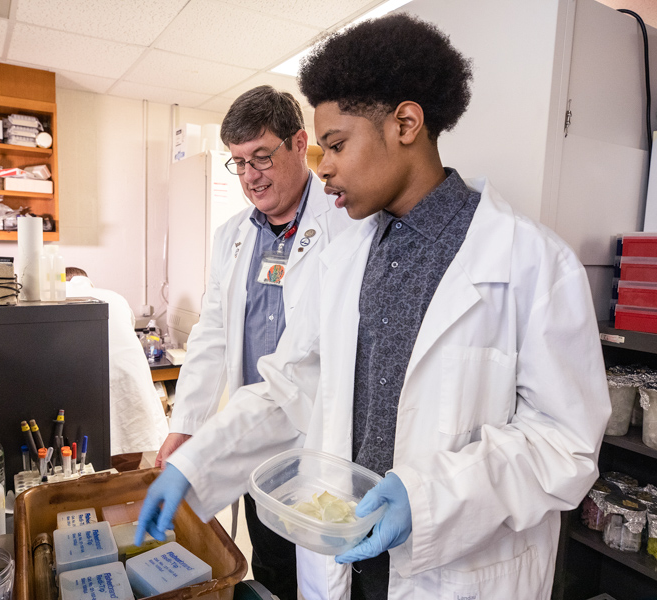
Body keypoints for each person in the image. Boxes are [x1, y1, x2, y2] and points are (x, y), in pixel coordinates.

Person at [136, 13, 611, 600]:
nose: (324, 165)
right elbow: (292, 386)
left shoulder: (532, 263)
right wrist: (196, 461)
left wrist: (429, 497)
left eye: (336, 144)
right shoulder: (345, 256)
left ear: (405, 123)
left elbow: (564, 442)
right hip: (343, 565)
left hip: (456, 573)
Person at [154, 85, 354, 599]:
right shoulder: (233, 234)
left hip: (317, 437)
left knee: (319, 573)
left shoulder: (344, 224)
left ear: (298, 143)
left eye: (261, 157)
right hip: (256, 441)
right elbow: (213, 333)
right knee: (267, 566)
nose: (249, 176)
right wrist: (187, 425)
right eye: (238, 163)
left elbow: (308, 357)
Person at [65, 267, 168, 471]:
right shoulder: (114, 296)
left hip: (83, 378)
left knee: (83, 458)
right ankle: (123, 495)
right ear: (88, 281)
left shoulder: (55, 298)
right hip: (128, 375)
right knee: (128, 446)